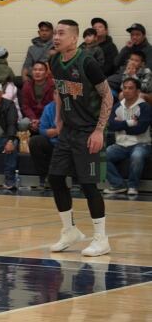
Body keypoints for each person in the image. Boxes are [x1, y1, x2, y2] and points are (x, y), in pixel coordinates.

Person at [48, 19, 114, 257]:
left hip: (89, 130)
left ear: (74, 38)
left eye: (61, 33)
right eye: (55, 33)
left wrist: (99, 131)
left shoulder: (87, 62)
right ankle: (69, 231)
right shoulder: (53, 60)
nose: (56, 37)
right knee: (55, 178)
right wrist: (58, 117)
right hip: (68, 131)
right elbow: (58, 89)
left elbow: (108, 97)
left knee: (88, 185)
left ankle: (101, 238)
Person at [103, 77, 151, 196]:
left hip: (141, 143)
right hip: (120, 145)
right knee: (101, 156)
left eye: (130, 88)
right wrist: (129, 123)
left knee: (137, 156)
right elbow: (110, 125)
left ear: (137, 91)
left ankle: (133, 186)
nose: (127, 90)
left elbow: (141, 128)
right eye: (125, 88)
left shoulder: (144, 107)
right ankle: (118, 184)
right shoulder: (117, 106)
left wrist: (121, 124)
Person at [28, 101, 58, 187]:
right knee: (35, 141)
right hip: (53, 141)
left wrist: (56, 131)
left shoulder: (72, 107)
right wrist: (57, 131)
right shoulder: (49, 108)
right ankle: (45, 176)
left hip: (68, 141)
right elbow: (42, 130)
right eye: (55, 93)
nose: (57, 96)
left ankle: (76, 181)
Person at [20, 61, 54, 134]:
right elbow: (25, 106)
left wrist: (41, 120)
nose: (37, 72)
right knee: (23, 123)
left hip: (47, 117)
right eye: (35, 70)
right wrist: (33, 119)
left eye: (40, 70)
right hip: (32, 117)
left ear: (46, 73)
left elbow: (53, 106)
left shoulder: (52, 86)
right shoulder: (27, 86)